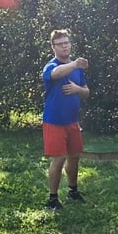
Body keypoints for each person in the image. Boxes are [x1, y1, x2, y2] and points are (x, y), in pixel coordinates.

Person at [42, 29, 90, 210]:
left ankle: (73, 190)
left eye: (67, 43)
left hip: (72, 121)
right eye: (60, 44)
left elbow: (87, 92)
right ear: (53, 47)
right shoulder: (51, 66)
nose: (64, 47)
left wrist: (77, 89)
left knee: (74, 156)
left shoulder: (76, 68)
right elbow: (55, 74)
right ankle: (52, 199)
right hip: (54, 121)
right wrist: (75, 64)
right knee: (59, 158)